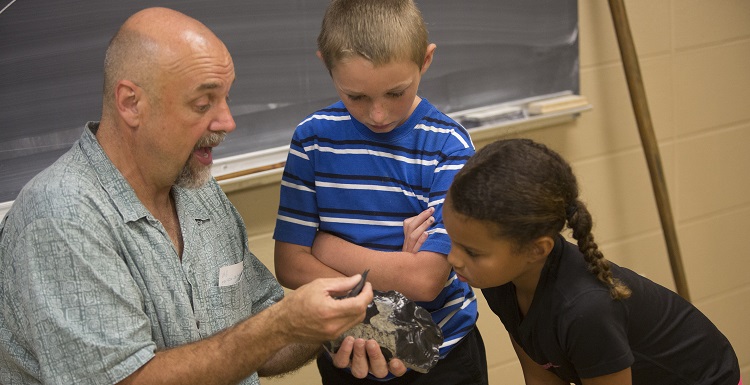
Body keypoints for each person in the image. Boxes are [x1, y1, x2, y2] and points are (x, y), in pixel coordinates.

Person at [0, 7, 406, 385]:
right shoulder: (61, 214)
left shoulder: (199, 191)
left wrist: (332, 325)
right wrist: (282, 324)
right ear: (130, 103)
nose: (227, 121)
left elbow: (258, 341)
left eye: (226, 97)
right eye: (202, 103)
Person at [273, 0, 488, 384]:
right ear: (326, 65)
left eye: (395, 93)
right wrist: (391, 280)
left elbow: (425, 280)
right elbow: (290, 264)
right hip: (347, 352)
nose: (378, 114)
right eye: (356, 96)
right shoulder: (312, 140)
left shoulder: (448, 146)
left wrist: (327, 247)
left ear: (425, 60)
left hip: (442, 360)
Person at [442, 138, 742, 385]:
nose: (453, 258)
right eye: (451, 239)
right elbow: (540, 374)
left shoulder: (586, 310)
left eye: (472, 251)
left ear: (536, 250)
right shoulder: (499, 280)